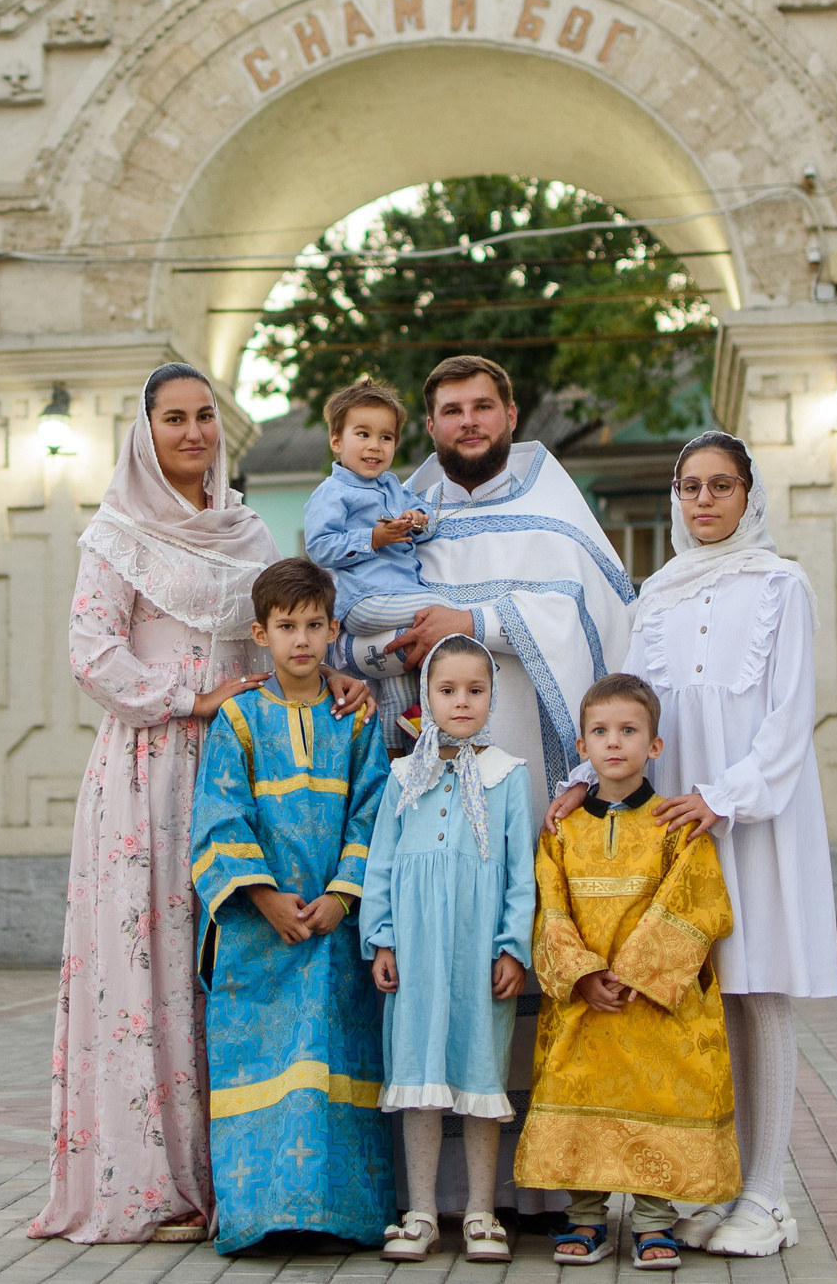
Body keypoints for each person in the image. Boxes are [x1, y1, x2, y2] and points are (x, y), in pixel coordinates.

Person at [35, 362, 369, 1246]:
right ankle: (154, 1180)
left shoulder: (249, 531)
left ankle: (245, 1176)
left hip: (245, 766)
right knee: (151, 962)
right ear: (145, 433)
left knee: (230, 961)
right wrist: (191, 696)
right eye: (174, 418)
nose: (193, 432)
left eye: (205, 416)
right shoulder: (117, 533)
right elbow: (91, 653)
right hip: (149, 769)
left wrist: (330, 676)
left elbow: (278, 631)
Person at [546, 431, 837, 1259]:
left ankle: (768, 1194)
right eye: (690, 486)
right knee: (704, 996)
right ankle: (718, 1187)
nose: (703, 500)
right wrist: (582, 775)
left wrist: (726, 795)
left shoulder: (783, 585)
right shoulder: (660, 593)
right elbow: (630, 702)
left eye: (720, 485)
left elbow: (790, 711)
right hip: (674, 821)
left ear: (749, 494)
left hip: (752, 810)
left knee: (759, 987)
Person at [375, 353, 636, 1219]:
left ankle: (542, 1186)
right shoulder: (408, 515)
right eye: (451, 410)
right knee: (445, 971)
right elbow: (363, 611)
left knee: (517, 953)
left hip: (533, 771)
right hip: (432, 792)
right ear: (431, 425)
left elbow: (595, 616)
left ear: (511, 414)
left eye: (483, 406)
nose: (469, 422)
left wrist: (478, 620)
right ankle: (441, 1195)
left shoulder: (554, 507)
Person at [190, 557, 395, 1255]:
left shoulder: (355, 718)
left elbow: (373, 811)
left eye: (313, 624)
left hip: (335, 927)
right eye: (286, 626)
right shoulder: (239, 718)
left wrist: (343, 895)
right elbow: (219, 817)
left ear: (334, 630)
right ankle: (262, 1216)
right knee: (266, 1067)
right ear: (261, 634)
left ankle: (338, 1216)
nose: (301, 639)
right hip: (261, 933)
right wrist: (265, 897)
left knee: (331, 1061)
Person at [518, 675, 737, 1271]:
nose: (614, 742)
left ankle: (653, 1219)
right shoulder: (562, 830)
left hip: (653, 1001)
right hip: (584, 1000)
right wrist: (581, 973)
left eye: (628, 730)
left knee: (656, 1094)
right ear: (582, 747)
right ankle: (586, 1216)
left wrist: (639, 973)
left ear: (654, 745)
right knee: (578, 1087)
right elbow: (549, 906)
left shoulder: (675, 825)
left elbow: (699, 902)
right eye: (600, 731)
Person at [360, 634, 536, 1264]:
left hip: (477, 949)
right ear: (427, 696)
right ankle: (422, 1213)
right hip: (416, 948)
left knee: (480, 1068)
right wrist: (381, 938)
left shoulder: (508, 775)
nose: (462, 701)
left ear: (492, 696)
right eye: (447, 690)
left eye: (475, 690)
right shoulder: (404, 776)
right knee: (418, 1071)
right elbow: (381, 863)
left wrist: (512, 948)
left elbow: (522, 876)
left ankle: (483, 1212)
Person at [302, 378, 434, 689]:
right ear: (336, 441)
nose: (375, 445)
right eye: (363, 434)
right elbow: (319, 548)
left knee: (402, 685)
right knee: (447, 612)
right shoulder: (332, 492)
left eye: (386, 437)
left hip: (399, 595)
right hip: (364, 600)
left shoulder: (393, 486)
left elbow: (427, 523)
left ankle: (394, 722)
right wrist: (372, 539)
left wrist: (416, 519)